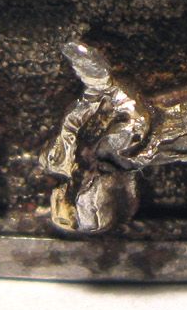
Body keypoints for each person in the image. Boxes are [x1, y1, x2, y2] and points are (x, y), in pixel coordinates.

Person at [42, 41, 147, 232]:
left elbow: (72, 124)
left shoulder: (57, 160)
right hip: (105, 137)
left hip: (104, 139)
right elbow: (72, 125)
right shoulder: (92, 103)